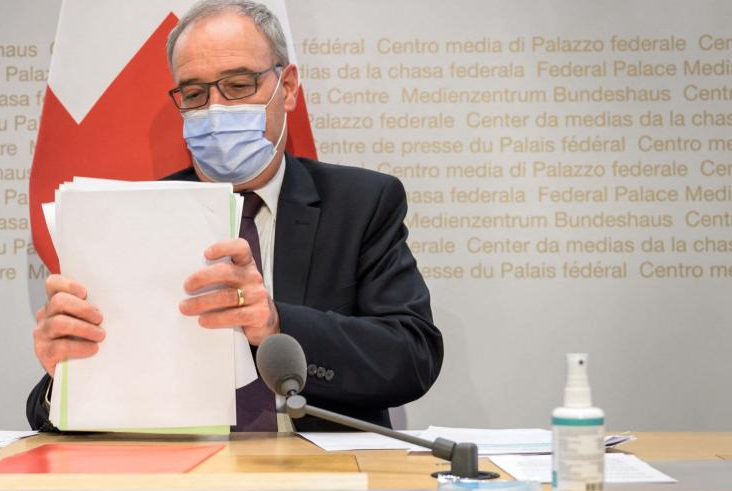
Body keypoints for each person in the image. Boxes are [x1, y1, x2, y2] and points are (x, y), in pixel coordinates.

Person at [27, 0, 443, 432]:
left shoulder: (361, 203)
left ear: (287, 87)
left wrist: (277, 322)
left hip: (319, 478)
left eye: (239, 85)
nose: (216, 109)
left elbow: (412, 357)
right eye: (194, 93)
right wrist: (65, 373)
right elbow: (50, 415)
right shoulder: (134, 215)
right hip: (181, 477)